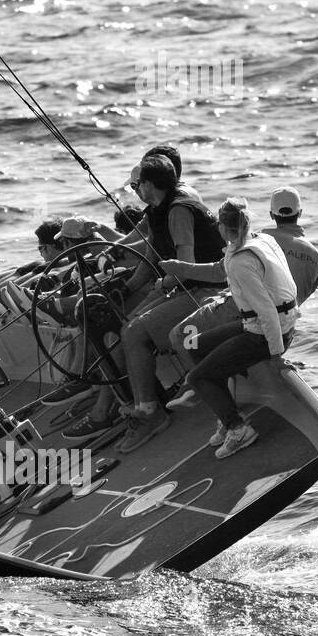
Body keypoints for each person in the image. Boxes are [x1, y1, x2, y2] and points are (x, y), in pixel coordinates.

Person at [63, 154, 225, 445]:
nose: (135, 192)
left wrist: (163, 285)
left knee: (133, 332)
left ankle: (149, 413)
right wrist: (126, 288)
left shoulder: (178, 211)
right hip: (182, 285)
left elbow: (186, 265)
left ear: (150, 185)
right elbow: (151, 256)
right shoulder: (155, 211)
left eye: (138, 185)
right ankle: (132, 402)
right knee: (125, 323)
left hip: (205, 290)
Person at [163, 185, 318, 404]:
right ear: (300, 213)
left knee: (181, 336)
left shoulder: (257, 241)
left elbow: (223, 275)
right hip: (284, 326)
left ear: (271, 215)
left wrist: (182, 269)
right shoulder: (315, 257)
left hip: (256, 321)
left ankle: (197, 388)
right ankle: (218, 380)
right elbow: (294, 298)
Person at [184, 199, 298, 457]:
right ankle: (227, 417)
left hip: (266, 333)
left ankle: (239, 430)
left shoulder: (240, 262)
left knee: (198, 377)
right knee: (196, 344)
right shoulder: (263, 239)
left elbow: (266, 309)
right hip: (268, 323)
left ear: (223, 227)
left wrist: (276, 353)